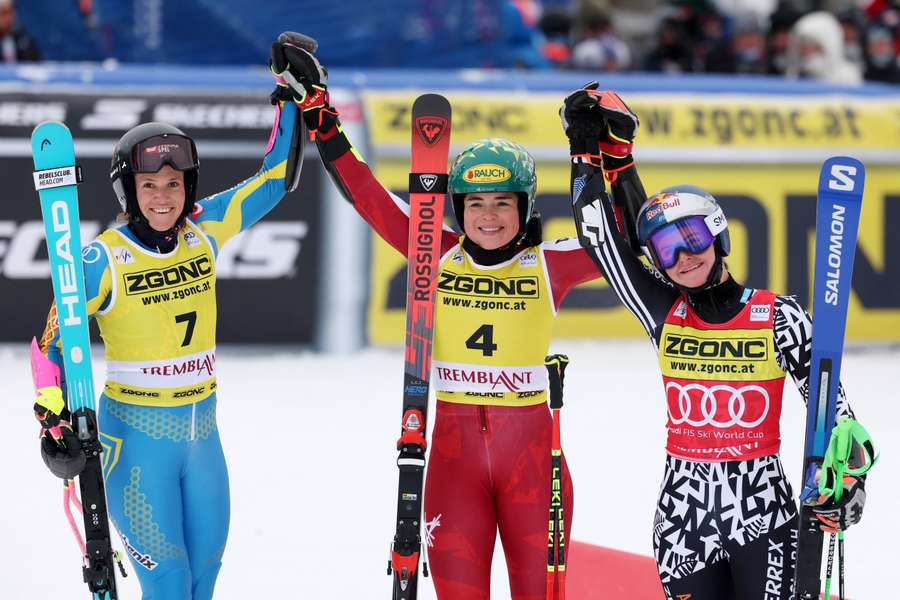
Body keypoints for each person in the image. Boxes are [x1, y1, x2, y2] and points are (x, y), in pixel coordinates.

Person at [271, 46, 603, 599]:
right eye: (475, 203)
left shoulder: (551, 263)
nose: (489, 216)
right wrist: (321, 119)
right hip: (452, 464)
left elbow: (625, 244)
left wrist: (599, 157)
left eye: (503, 203)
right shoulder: (432, 249)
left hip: (532, 464)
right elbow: (370, 198)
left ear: (524, 207)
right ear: (456, 208)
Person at [562, 83, 874, 599]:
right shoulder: (665, 313)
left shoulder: (778, 316)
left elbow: (833, 409)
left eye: (693, 239)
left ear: (717, 235)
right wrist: (588, 153)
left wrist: (851, 479)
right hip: (684, 522)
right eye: (667, 250)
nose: (684, 257)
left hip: (766, 520)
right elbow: (604, 240)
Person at [30, 37, 312, 600]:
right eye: (150, 185)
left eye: (174, 184)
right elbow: (47, 346)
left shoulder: (203, 231)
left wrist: (289, 95)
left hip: (202, 436)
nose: (164, 196)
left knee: (202, 582)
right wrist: (54, 415)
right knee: (169, 584)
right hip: (133, 441)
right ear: (129, 192)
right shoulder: (101, 259)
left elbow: (275, 179)